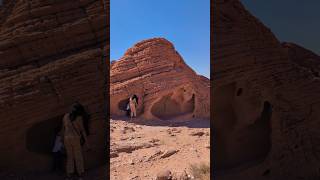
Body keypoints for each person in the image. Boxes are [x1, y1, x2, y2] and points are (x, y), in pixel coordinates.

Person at [61, 103, 90, 180]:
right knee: (78, 156)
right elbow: (82, 130)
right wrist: (87, 142)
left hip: (66, 138)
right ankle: (80, 174)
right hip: (75, 138)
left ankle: (69, 174)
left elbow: (63, 129)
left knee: (70, 156)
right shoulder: (79, 118)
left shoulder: (65, 116)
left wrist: (62, 140)